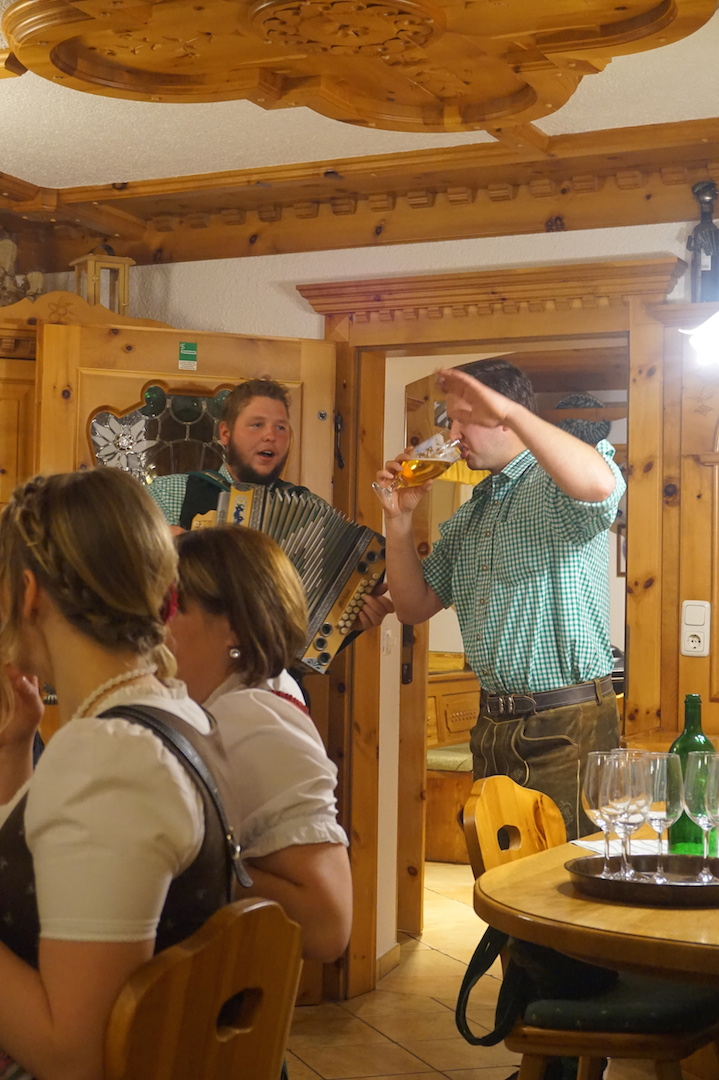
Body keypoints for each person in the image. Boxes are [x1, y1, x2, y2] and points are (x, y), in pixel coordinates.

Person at [0, 468, 242, 1080]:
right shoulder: (175, 714)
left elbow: (74, 1055)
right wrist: (15, 746)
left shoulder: (107, 757)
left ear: (27, 593)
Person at [375, 359, 625, 839]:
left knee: (564, 880)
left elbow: (599, 486)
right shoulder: (473, 514)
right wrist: (398, 519)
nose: (451, 434)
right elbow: (412, 606)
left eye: (463, 419)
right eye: (449, 421)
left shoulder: (553, 485)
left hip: (566, 724)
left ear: (505, 416)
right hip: (492, 724)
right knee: (498, 877)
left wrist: (511, 411)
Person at [169, 525, 353, 963]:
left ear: (233, 627)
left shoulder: (251, 720)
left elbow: (328, 926)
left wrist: (179, 865)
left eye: (171, 607)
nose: (150, 628)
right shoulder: (237, 698)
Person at [147, 376, 393, 633]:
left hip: (275, 658)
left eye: (281, 427)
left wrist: (347, 621)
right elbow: (130, 579)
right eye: (257, 425)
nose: (270, 436)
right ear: (225, 433)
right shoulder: (172, 492)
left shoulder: (311, 511)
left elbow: (318, 621)